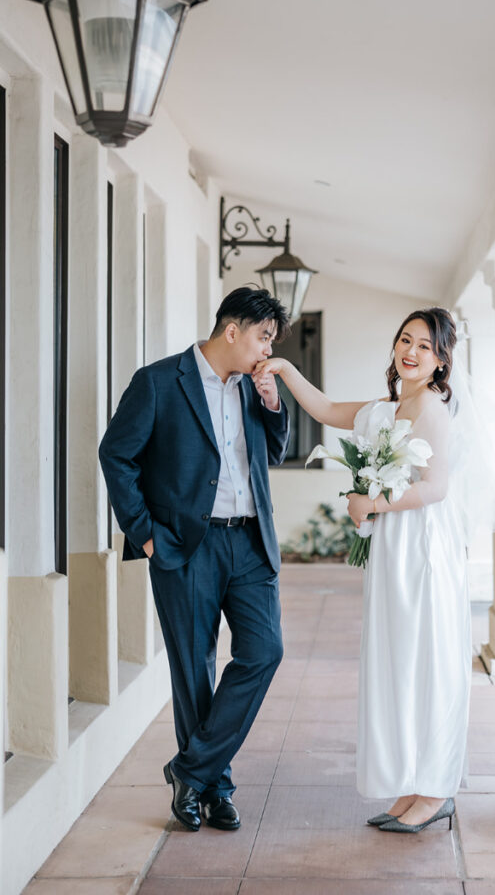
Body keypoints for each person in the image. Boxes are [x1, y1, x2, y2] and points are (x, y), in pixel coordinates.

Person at [253, 306, 470, 833]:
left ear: (441, 361)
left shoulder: (434, 412)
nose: (411, 352)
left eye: (424, 346)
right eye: (405, 340)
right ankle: (412, 782)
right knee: (398, 660)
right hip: (393, 550)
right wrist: (283, 370)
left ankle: (435, 788)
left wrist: (372, 503)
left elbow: (435, 488)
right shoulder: (384, 409)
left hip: (422, 551)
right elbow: (325, 408)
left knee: (425, 660)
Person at [99, 286, 290, 833]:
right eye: (262, 338)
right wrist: (146, 534)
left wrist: (272, 402)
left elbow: (272, 453)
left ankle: (191, 770)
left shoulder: (255, 387)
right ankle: (215, 788)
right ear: (233, 331)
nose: (265, 351)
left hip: (251, 542)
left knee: (264, 651)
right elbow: (117, 454)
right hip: (186, 545)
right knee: (194, 669)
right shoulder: (159, 381)